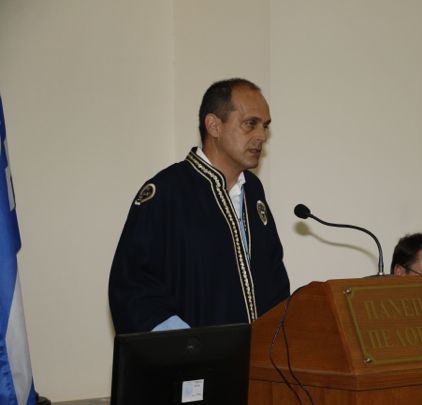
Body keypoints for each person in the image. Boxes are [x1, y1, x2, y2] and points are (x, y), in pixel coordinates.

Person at [109, 78, 290, 334]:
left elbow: (274, 279)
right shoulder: (167, 192)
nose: (261, 136)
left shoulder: (253, 192)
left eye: (265, 126)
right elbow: (132, 284)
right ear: (214, 125)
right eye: (251, 124)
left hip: (257, 355)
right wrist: (186, 342)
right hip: (190, 356)